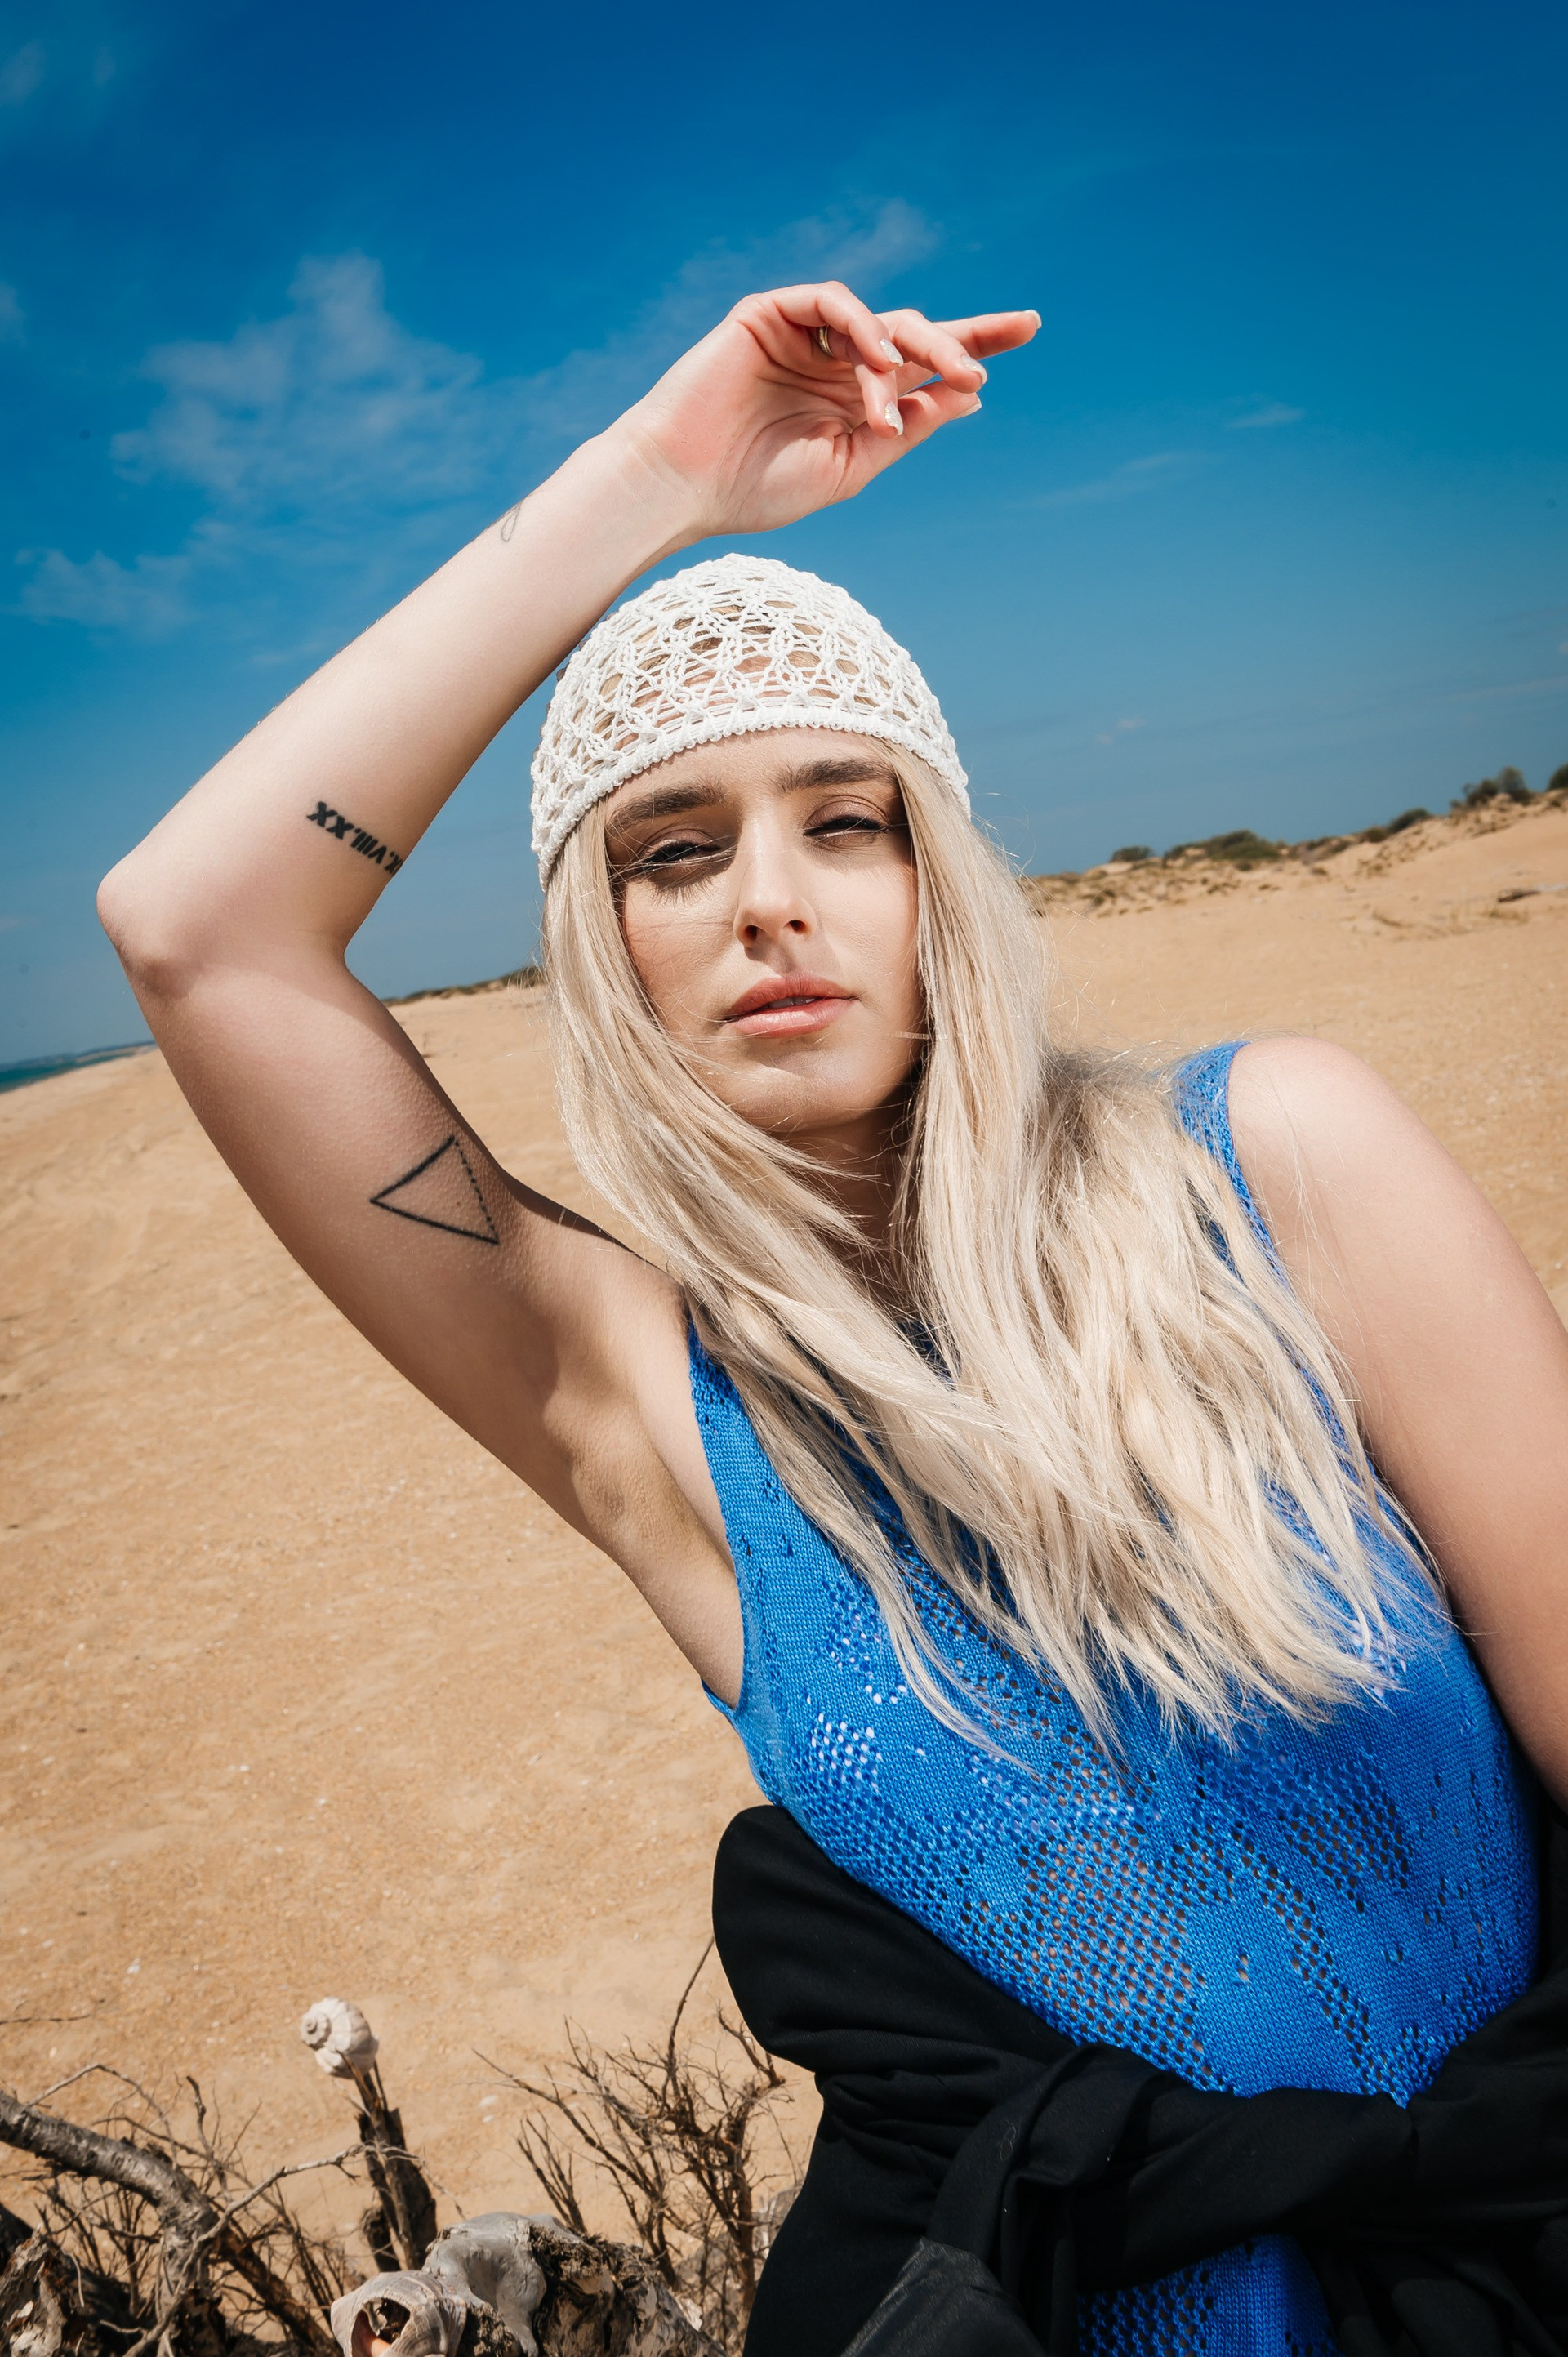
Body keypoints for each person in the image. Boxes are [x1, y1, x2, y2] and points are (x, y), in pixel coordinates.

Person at [98, 281, 1568, 2355]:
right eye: (673, 851)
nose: (768, 897)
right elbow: (200, 929)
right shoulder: (647, 1404)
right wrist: (662, 476)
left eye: (843, 820)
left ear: (933, 878)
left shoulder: (1281, 1169)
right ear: (607, 948)